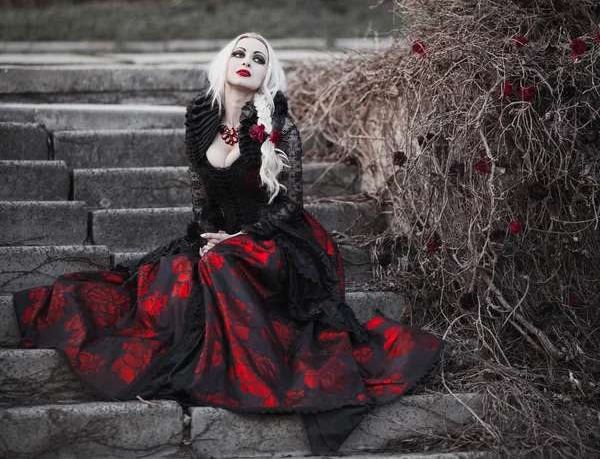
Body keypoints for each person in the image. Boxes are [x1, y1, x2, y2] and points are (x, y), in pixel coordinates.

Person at [12, 32, 446, 455]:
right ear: (224, 61)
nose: (248, 62)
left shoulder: (278, 126)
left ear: (267, 74)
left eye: (260, 59)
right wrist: (206, 238)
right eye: (241, 53)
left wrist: (239, 238)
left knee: (224, 263)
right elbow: (201, 198)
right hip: (224, 236)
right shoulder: (201, 122)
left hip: (281, 240)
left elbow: (291, 205)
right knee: (175, 274)